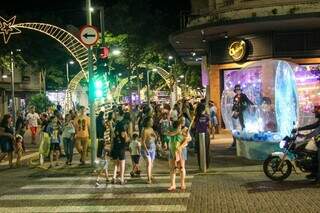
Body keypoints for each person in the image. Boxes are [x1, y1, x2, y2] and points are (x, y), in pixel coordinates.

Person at [297, 105, 320, 182]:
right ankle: (314, 173)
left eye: (316, 112)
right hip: (318, 142)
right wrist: (299, 129)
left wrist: (306, 136)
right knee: (314, 157)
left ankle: (318, 179)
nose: (315, 114)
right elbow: (312, 126)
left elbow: (316, 131)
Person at [167, 120, 191, 192]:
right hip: (172, 150)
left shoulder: (185, 129)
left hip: (181, 151)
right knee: (172, 168)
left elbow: (189, 138)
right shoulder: (171, 130)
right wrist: (177, 132)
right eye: (178, 126)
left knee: (181, 168)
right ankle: (173, 185)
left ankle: (182, 183)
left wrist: (183, 144)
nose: (180, 127)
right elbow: (168, 134)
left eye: (180, 126)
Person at [110, 117, 129, 185]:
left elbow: (112, 141)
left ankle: (114, 178)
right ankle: (121, 179)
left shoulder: (114, 132)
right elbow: (126, 140)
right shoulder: (123, 132)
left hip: (115, 149)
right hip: (121, 149)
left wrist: (111, 149)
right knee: (122, 165)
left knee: (115, 164)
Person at [193, 103, 211, 169]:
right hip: (206, 133)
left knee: (199, 150)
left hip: (198, 134)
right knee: (207, 149)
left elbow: (193, 126)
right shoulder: (206, 117)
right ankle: (207, 165)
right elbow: (210, 125)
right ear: (204, 109)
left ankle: (201, 165)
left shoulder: (196, 117)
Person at [141, 117, 157, 184]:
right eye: (151, 121)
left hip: (152, 148)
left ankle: (151, 175)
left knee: (151, 163)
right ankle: (149, 179)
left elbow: (155, 137)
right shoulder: (145, 130)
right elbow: (143, 141)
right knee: (149, 163)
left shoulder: (151, 129)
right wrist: (146, 150)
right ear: (148, 122)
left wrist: (155, 136)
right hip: (146, 149)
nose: (152, 122)